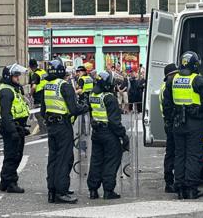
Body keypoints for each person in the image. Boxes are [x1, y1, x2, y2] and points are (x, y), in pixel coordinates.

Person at [163, 51, 203, 200]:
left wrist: (168, 120)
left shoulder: (172, 81)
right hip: (194, 123)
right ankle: (191, 189)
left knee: (180, 155)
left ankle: (180, 187)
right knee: (193, 156)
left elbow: (166, 104)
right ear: (195, 64)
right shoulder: (199, 81)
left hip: (177, 123)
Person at [42, 58, 89, 204]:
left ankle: (52, 190)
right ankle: (61, 192)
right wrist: (86, 107)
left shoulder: (47, 85)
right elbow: (74, 109)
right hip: (63, 126)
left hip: (51, 126)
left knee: (53, 158)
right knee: (65, 159)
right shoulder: (65, 86)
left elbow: (43, 110)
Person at [87, 71, 129, 200]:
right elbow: (114, 121)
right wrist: (123, 135)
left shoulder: (92, 95)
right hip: (109, 134)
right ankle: (108, 190)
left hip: (97, 132)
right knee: (111, 161)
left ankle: (93, 190)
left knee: (96, 161)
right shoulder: (109, 97)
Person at [0, 63, 30, 193]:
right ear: (8, 76)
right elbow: (6, 114)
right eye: (16, 75)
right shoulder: (7, 91)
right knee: (13, 156)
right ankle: (11, 183)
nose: (18, 77)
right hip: (12, 128)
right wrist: (13, 131)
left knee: (13, 155)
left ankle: (4, 182)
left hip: (17, 127)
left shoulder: (13, 89)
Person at [160, 63, 178, 193]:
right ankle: (170, 181)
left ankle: (170, 180)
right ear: (170, 75)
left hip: (168, 123)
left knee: (171, 153)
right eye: (175, 74)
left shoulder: (163, 87)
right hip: (171, 123)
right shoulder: (167, 88)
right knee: (173, 153)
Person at [29, 59, 48, 134]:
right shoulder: (43, 72)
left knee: (39, 115)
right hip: (46, 95)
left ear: (30, 66)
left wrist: (30, 94)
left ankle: (43, 131)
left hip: (38, 98)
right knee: (44, 114)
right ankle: (46, 129)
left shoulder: (35, 74)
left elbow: (33, 87)